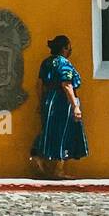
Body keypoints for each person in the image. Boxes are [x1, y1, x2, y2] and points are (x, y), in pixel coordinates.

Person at [30, 35, 88, 179]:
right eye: (69, 47)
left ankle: (38, 156)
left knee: (48, 130)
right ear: (65, 48)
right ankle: (59, 168)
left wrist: (41, 102)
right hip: (63, 102)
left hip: (49, 100)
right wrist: (75, 106)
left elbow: (39, 85)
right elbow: (67, 84)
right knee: (65, 132)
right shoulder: (64, 64)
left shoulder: (46, 63)